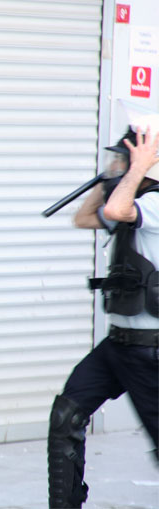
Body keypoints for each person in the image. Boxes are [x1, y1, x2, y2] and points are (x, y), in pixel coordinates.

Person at [48, 124, 159, 509]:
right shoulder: (132, 202)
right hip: (117, 346)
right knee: (67, 416)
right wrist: (109, 178)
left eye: (123, 158)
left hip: (151, 352)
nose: (115, 163)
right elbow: (85, 217)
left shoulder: (154, 205)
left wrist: (135, 169)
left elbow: (115, 210)